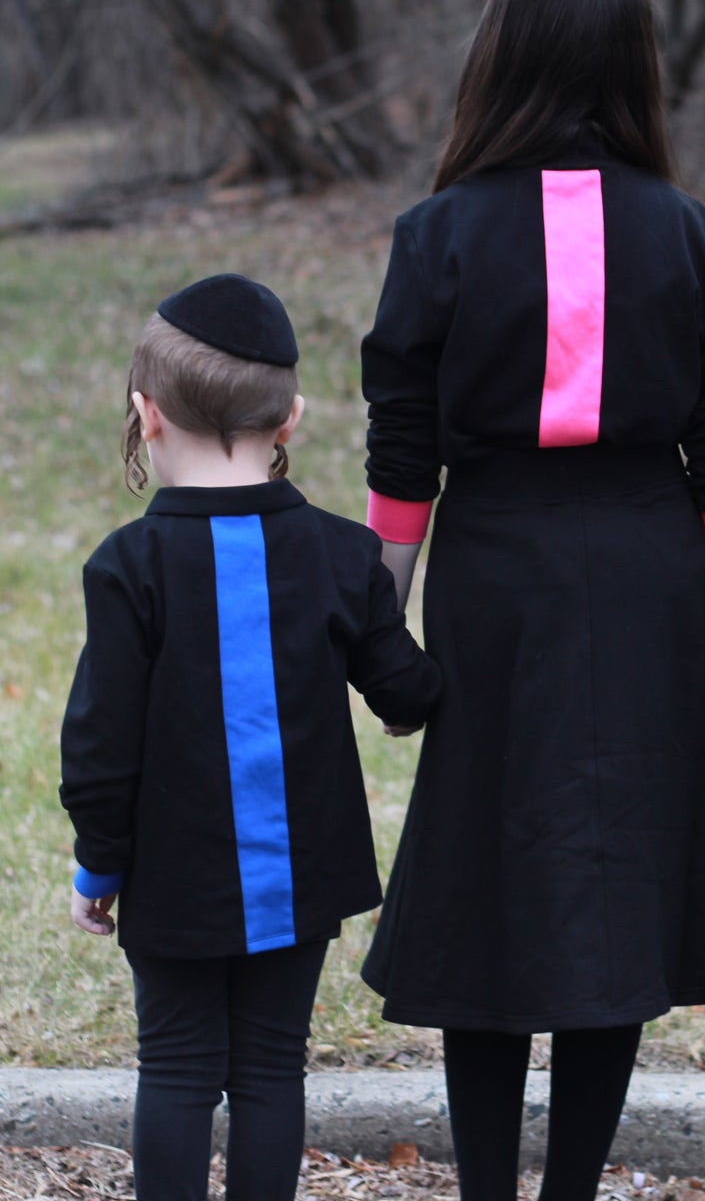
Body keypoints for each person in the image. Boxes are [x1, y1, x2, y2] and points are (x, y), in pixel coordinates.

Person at [359, 0, 705, 1201]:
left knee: (485, 891)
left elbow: (405, 456)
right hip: (655, 582)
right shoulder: (693, 236)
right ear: (637, 68)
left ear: (500, 61)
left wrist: (383, 632)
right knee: (620, 892)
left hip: (496, 579)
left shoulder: (436, 235)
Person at [60, 274, 443, 1201]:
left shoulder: (128, 566)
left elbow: (99, 748)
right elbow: (405, 688)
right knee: (273, 1065)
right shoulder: (343, 553)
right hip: (300, 875)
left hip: (172, 875)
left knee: (177, 1064)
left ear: (146, 415)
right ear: (290, 419)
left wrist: (99, 866)